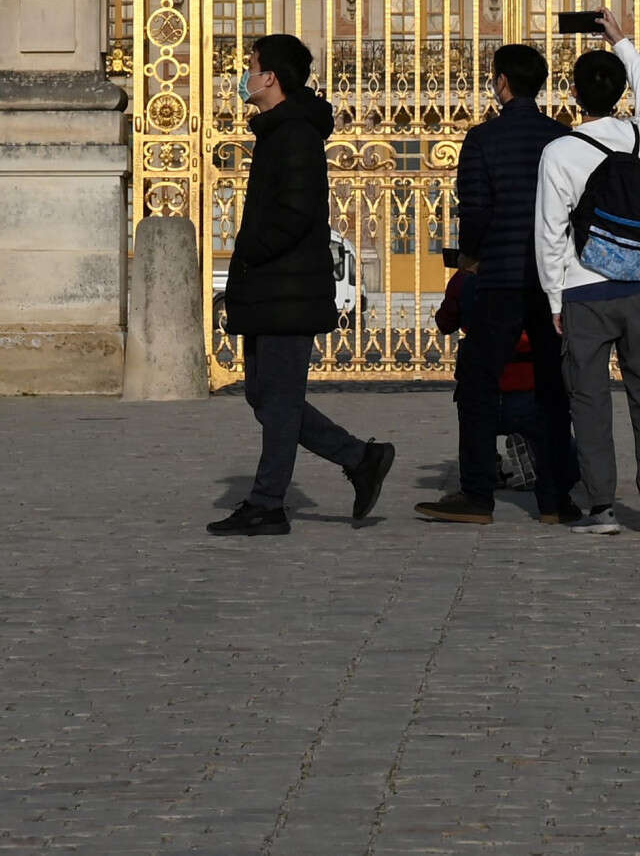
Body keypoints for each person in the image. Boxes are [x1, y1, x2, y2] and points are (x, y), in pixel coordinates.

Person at [213, 31, 394, 536]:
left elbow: (295, 213)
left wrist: (250, 250)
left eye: (250, 66)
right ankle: (360, 458)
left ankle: (268, 502)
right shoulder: (279, 129)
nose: (244, 76)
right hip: (273, 287)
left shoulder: (293, 133)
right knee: (266, 396)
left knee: (279, 398)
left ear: (270, 76)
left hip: (285, 287)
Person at [416, 42, 583, 525]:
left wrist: (470, 258)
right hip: (551, 278)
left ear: (503, 82)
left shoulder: (482, 139)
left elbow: (477, 210)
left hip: (500, 277)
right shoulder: (562, 138)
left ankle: (477, 494)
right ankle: (556, 498)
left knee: (478, 384)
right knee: (553, 388)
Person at [533, 10, 640, 536]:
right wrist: (622, 42)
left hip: (583, 289)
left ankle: (602, 509)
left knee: (589, 401)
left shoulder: (559, 152)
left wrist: (553, 301)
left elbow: (549, 234)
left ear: (574, 96)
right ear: (619, 94)